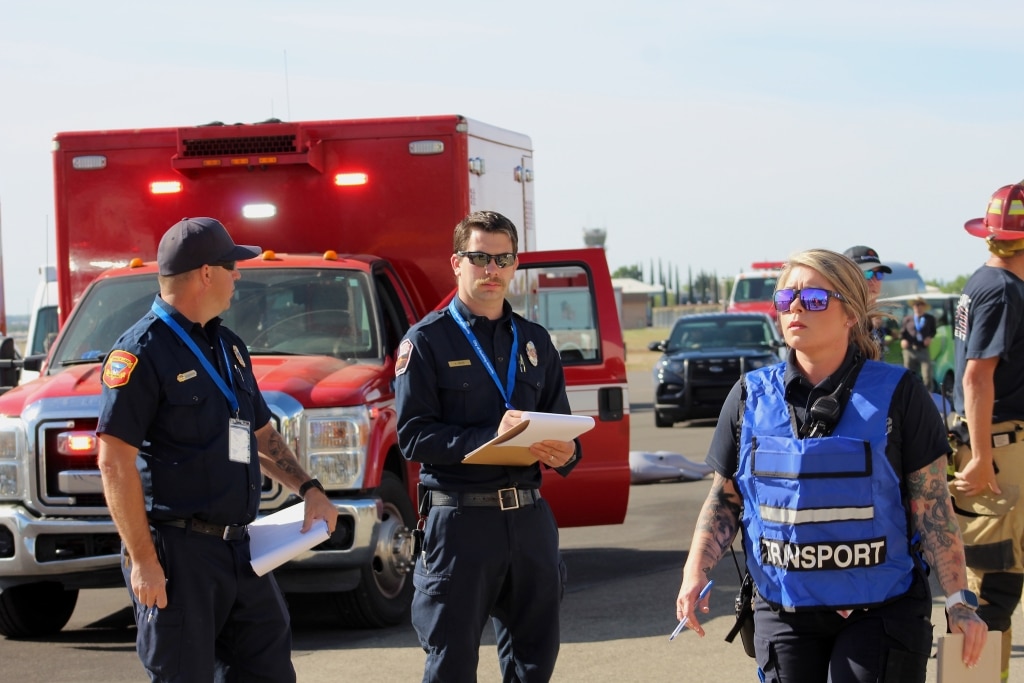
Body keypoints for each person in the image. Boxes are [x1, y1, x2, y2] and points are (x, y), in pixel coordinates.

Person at [675, 248, 987, 682]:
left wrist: (959, 601)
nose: (796, 307)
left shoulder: (899, 393)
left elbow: (932, 505)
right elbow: (725, 499)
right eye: (786, 298)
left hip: (881, 609)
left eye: (814, 298)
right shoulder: (749, 396)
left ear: (850, 314)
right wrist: (695, 571)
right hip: (783, 608)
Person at [96, 217, 339, 682]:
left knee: (270, 670)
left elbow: (260, 434)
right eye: (232, 266)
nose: (239, 275)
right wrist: (144, 561)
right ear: (206, 273)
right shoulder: (140, 352)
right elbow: (114, 462)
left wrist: (309, 488)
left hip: (241, 551)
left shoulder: (229, 347)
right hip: (178, 555)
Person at [394, 210, 580, 682]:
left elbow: (560, 424)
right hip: (460, 523)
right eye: (480, 258)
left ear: (515, 265)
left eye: (503, 259)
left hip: (529, 521)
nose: (492, 270)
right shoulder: (427, 341)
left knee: (534, 663)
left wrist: (567, 453)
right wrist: (489, 438)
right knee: (452, 664)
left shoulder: (535, 341)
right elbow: (413, 436)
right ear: (457, 263)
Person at [949, 181, 1024, 681]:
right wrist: (980, 456)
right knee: (994, 587)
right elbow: (977, 376)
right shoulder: (1000, 290)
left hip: (996, 445)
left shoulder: (985, 282)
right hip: (999, 450)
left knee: (997, 584)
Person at [900, 296, 937, 390]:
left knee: (927, 374)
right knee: (909, 374)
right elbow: (902, 333)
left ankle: (928, 393)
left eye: (920, 304)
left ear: (924, 306)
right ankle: (910, 393)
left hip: (922, 349)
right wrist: (903, 340)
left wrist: (929, 338)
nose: (917, 307)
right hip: (910, 350)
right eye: (916, 305)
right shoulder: (907, 319)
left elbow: (933, 331)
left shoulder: (930, 318)